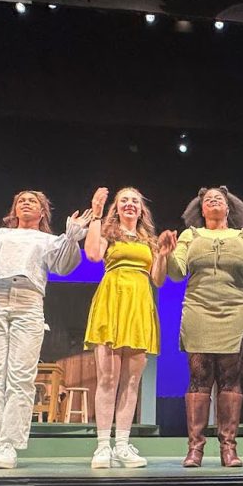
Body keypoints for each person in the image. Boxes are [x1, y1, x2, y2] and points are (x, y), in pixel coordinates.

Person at [0, 190, 89, 469]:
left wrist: (71, 237)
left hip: (29, 300)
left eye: (32, 201)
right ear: (14, 210)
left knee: (20, 376)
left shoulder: (48, 240)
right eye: (20, 200)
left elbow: (64, 267)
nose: (26, 202)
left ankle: (8, 445)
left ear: (43, 212)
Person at [169, 186, 243, 468]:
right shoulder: (190, 235)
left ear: (229, 208)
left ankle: (228, 448)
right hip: (199, 311)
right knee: (199, 379)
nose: (213, 200)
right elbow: (176, 273)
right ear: (200, 209)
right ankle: (195, 450)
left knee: (230, 380)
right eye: (207, 199)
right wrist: (165, 254)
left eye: (219, 199)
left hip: (234, 312)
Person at [83, 186, 174, 469]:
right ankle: (102, 447)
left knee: (132, 380)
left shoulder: (149, 241)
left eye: (135, 201)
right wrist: (96, 216)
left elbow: (158, 280)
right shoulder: (108, 233)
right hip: (112, 301)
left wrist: (163, 255)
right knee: (107, 378)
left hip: (139, 305)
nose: (130, 204)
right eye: (124, 200)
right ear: (116, 207)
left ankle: (122, 445)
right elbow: (93, 255)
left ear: (142, 209)